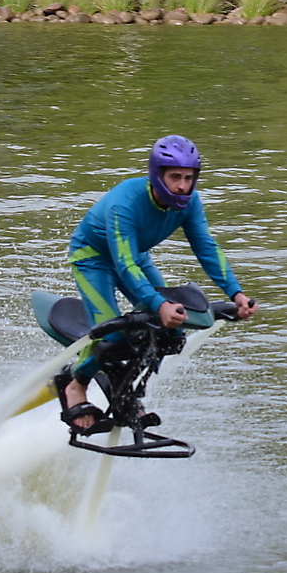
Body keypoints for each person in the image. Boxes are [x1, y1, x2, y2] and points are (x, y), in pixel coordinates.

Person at [59, 135, 257, 430]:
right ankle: (76, 384)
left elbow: (206, 247)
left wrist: (236, 293)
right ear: (157, 175)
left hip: (134, 255)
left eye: (189, 178)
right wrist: (159, 303)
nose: (182, 186)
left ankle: (128, 392)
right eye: (175, 177)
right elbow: (124, 264)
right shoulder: (125, 203)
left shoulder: (190, 203)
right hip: (94, 257)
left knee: (171, 332)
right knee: (113, 335)